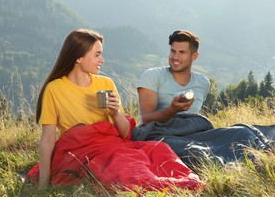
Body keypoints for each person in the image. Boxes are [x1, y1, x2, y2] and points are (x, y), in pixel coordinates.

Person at [26, 28, 204, 192]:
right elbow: (48, 140)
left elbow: (125, 132)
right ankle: (162, 186)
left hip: (113, 144)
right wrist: (43, 184)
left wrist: (115, 112)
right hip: (80, 150)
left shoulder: (106, 83)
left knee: (159, 149)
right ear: (78, 57)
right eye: (97, 55)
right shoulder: (55, 89)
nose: (101, 60)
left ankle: (177, 183)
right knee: (125, 165)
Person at [133, 30, 275, 167]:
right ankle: (243, 165)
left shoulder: (202, 82)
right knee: (197, 152)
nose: (175, 57)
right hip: (161, 134)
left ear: (194, 56)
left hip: (196, 130)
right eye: (172, 51)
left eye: (182, 52)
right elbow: (148, 118)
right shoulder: (153, 76)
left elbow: (197, 120)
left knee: (242, 133)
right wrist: (173, 110)